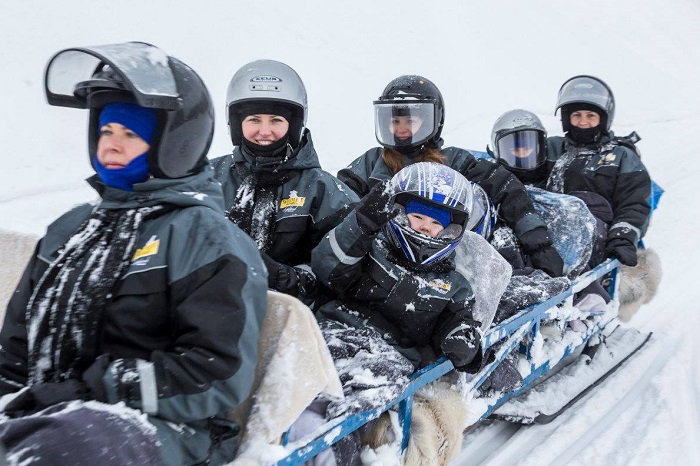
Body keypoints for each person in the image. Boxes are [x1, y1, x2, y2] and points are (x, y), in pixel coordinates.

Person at [0, 42, 268, 466]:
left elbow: (214, 373)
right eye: (106, 130)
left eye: (130, 134)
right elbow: (14, 349)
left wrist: (94, 390)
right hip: (51, 416)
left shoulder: (204, 237)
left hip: (166, 430)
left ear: (174, 144)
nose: (112, 143)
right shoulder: (69, 230)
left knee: (69, 446)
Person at [304, 162, 484, 464]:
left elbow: (460, 323)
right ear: (399, 214)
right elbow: (327, 266)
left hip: (390, 359)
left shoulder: (453, 285)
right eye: (417, 217)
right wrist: (360, 224)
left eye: (435, 223)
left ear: (451, 230)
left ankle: (331, 451)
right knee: (304, 383)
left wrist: (463, 340)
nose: (425, 227)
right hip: (333, 334)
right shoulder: (371, 248)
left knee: (356, 406)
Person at [337, 75, 564, 278]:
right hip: (382, 260)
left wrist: (538, 243)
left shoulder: (452, 160)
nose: (402, 128)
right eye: (395, 121)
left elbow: (506, 188)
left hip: (449, 263)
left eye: (410, 121)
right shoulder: (371, 162)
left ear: (432, 122)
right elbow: (340, 199)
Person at [211, 60, 359, 306]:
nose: (265, 131)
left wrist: (290, 279)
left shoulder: (322, 191)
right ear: (237, 124)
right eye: (254, 120)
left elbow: (346, 270)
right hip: (210, 311)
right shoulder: (210, 178)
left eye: (276, 120)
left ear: (294, 125)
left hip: (292, 320)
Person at [546, 75, 652, 268]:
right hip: (547, 231)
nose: (583, 122)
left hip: (596, 237)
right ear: (567, 118)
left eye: (590, 116)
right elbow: (520, 163)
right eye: (576, 115)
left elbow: (634, 202)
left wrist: (622, 237)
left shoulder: (622, 157)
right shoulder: (550, 148)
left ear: (603, 119)